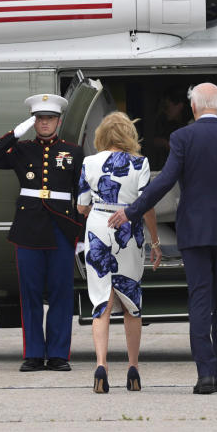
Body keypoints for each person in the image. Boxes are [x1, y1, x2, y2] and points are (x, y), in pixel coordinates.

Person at [108, 83, 217, 395]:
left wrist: (133, 210)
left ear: (194, 107)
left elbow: (164, 181)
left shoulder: (183, 137)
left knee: (200, 300)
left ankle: (205, 374)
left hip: (194, 231)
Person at [0, 93, 84, 373]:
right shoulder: (22, 149)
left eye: (49, 119)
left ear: (58, 122)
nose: (44, 124)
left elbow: (82, 194)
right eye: (39, 119)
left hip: (62, 227)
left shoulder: (74, 152)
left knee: (62, 293)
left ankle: (59, 354)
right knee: (31, 293)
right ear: (33, 121)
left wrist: (81, 235)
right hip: (28, 228)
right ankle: (35, 354)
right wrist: (17, 132)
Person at [76, 112, 163, 393]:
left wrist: (99, 209)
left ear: (102, 135)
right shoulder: (140, 163)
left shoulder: (89, 162)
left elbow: (80, 206)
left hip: (99, 226)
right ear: (129, 134)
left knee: (102, 299)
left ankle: (101, 365)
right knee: (130, 301)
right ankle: (133, 369)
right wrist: (156, 241)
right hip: (129, 229)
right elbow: (147, 206)